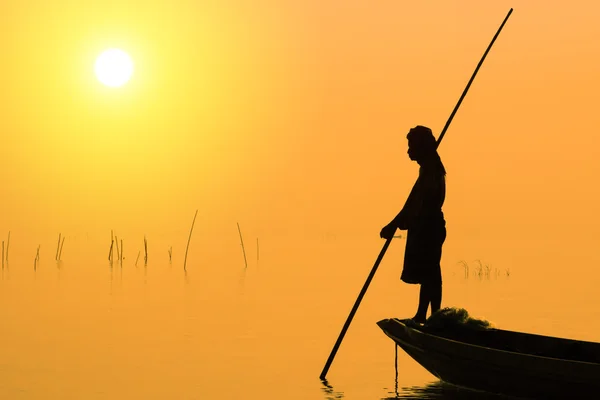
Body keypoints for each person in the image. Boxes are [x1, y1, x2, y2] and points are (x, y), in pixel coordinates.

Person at [380, 125, 447, 324]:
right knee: (429, 273)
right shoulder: (427, 169)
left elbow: (418, 203)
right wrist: (396, 223)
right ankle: (425, 315)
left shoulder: (431, 170)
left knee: (430, 273)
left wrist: (394, 224)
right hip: (425, 226)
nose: (408, 151)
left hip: (429, 227)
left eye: (411, 146)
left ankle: (429, 315)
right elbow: (412, 202)